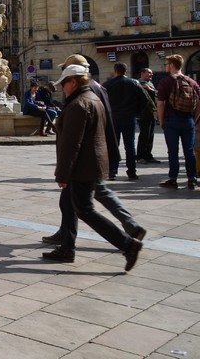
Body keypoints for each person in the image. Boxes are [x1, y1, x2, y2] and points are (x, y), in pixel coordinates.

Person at [43, 63, 142, 271]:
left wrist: (62, 173)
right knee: (68, 205)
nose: (63, 89)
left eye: (65, 84)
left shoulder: (79, 104)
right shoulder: (93, 99)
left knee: (85, 210)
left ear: (73, 82)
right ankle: (66, 248)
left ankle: (128, 245)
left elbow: (72, 144)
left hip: (82, 167)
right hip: (91, 162)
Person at [157, 54, 200, 189]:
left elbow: (160, 104)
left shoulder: (165, 82)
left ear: (172, 65)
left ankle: (173, 179)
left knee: (173, 151)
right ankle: (191, 179)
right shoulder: (192, 82)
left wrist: (161, 120)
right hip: (188, 120)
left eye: (166, 64)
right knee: (189, 151)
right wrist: (195, 119)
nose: (166, 67)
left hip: (171, 120)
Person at [103, 62, 146, 181]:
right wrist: (136, 112)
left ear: (115, 70)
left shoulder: (108, 84)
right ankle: (131, 172)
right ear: (125, 71)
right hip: (129, 117)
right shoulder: (134, 83)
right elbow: (144, 100)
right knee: (130, 146)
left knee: (113, 145)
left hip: (113, 119)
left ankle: (112, 171)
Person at [137, 68, 159, 164]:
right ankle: (140, 156)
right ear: (142, 73)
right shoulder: (139, 83)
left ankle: (148, 155)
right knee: (144, 135)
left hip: (151, 113)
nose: (151, 74)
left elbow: (157, 94)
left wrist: (151, 89)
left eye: (152, 73)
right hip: (144, 113)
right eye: (149, 73)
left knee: (150, 136)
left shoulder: (149, 83)